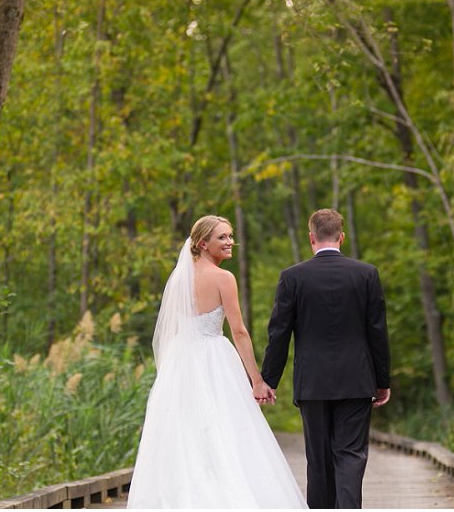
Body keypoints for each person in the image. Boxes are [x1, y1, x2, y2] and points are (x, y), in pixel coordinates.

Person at [128, 215, 307, 508]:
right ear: (203, 243)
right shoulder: (224, 278)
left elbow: (172, 328)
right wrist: (257, 380)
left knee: (187, 432)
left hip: (181, 360)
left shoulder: (178, 280)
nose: (230, 242)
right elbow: (239, 331)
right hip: (214, 359)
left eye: (230, 235)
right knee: (227, 428)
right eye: (222, 237)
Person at [261, 208, 391, 509]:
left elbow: (278, 333)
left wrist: (269, 380)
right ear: (341, 237)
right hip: (357, 380)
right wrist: (382, 380)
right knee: (351, 456)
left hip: (313, 383)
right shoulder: (366, 274)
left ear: (311, 237)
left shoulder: (292, 277)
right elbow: (377, 332)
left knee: (318, 461)